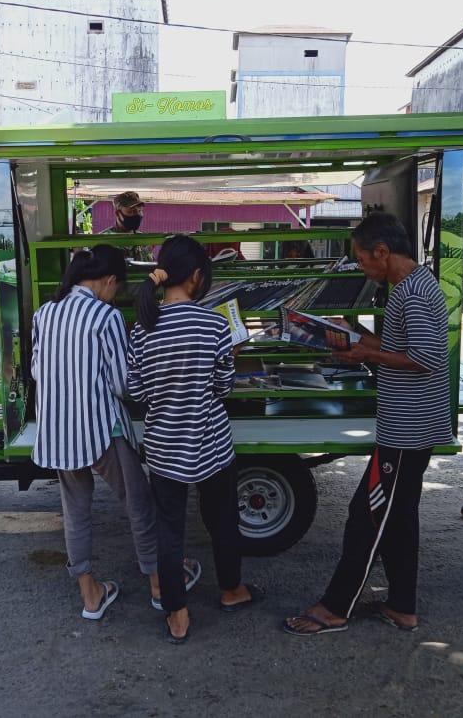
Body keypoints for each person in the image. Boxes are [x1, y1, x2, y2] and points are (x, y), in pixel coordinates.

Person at [284, 212, 451, 637]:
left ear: (382, 252)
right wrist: (354, 337)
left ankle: (337, 607)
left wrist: (367, 355)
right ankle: (402, 606)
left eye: (362, 260)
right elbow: (401, 345)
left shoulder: (412, 293)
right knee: (398, 517)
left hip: (406, 430)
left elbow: (426, 359)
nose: (361, 268)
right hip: (408, 426)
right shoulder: (410, 286)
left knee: (367, 516)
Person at [128, 235, 263, 644]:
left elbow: (136, 393)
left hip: (165, 446)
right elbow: (223, 387)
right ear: (198, 277)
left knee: (169, 531)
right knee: (222, 520)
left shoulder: (141, 330)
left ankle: (177, 613)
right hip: (211, 444)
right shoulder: (215, 324)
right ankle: (232, 590)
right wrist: (229, 362)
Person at [30, 245, 166, 620]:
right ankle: (158, 585)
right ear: (108, 281)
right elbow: (123, 384)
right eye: (116, 288)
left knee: (75, 512)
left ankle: (90, 595)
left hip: (58, 431)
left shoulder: (44, 314)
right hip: (101, 430)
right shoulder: (105, 317)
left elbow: (38, 372)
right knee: (138, 504)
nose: (115, 295)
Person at [100, 191, 153, 262]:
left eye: (139, 211)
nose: (137, 215)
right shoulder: (103, 239)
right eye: (131, 211)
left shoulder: (143, 240)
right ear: (118, 214)